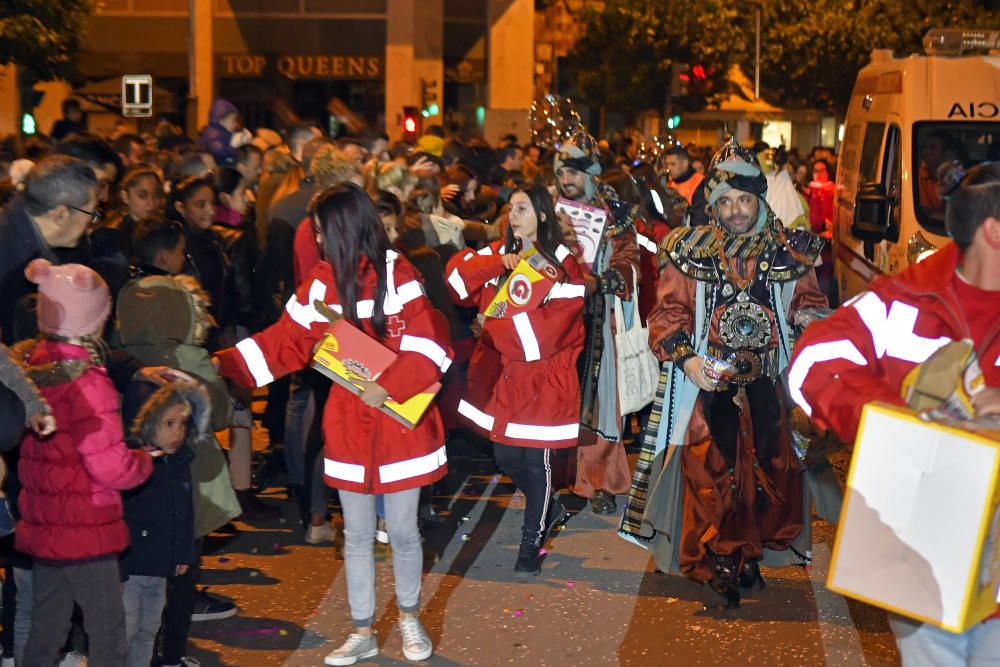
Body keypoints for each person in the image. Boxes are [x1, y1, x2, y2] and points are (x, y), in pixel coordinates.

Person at [215, 183, 451, 665]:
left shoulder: (398, 273)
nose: (318, 241)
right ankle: (362, 630)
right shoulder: (320, 282)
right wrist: (220, 366)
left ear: (344, 228)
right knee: (357, 534)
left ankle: (409, 618)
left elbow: (431, 344)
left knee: (404, 532)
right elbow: (285, 342)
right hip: (349, 423)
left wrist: (390, 385)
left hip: (400, 423)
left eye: (322, 231)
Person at [788, 163, 1000, 665]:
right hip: (925, 545)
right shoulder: (908, 297)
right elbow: (812, 361)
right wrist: (898, 422)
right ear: (993, 231)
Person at [619, 139, 828, 608]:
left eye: (744, 200)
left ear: (759, 200)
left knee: (769, 476)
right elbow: (666, 316)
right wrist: (691, 362)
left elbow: (810, 304)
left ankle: (748, 555)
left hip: (769, 384)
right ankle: (725, 559)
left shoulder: (790, 253)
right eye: (726, 201)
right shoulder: (690, 253)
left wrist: (809, 326)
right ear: (713, 206)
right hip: (707, 388)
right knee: (714, 477)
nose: (735, 211)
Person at [16, 259, 154, 666]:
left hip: (46, 524)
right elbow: (111, 467)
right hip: (87, 527)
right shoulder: (90, 385)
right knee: (107, 629)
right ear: (97, 320)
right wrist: (143, 460)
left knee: (47, 626)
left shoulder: (35, 370)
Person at [446, 185, 585, 574]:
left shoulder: (562, 263)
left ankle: (531, 543)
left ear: (542, 214)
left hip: (544, 375)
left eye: (522, 208)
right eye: (510, 208)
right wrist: (498, 265)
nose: (513, 215)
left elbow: (549, 331)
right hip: (505, 374)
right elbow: (456, 283)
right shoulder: (500, 251)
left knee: (536, 460)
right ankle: (551, 508)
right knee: (506, 455)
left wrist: (491, 327)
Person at [554, 133, 639, 515]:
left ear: (590, 175)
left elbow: (630, 263)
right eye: (561, 172)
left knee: (603, 404)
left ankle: (603, 481)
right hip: (556, 320)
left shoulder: (617, 216)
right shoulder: (549, 210)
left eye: (573, 172)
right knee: (561, 400)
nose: (566, 179)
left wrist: (598, 282)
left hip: (600, 319)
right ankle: (564, 478)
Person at [121, 384, 199, 667]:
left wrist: (183, 553)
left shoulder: (178, 462)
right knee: (125, 629)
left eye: (182, 424)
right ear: (149, 423)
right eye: (168, 424)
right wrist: (118, 567)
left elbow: (185, 513)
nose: (177, 432)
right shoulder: (132, 464)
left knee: (148, 629)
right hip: (131, 566)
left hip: (161, 566)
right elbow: (120, 517)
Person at [0, 155, 98, 345]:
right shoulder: (18, 263)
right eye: (91, 213)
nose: (91, 224)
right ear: (61, 214)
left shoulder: (18, 230)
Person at [665, 145, 709, 226]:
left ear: (685, 163)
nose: (668, 168)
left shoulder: (700, 184)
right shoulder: (670, 181)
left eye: (673, 164)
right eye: (667, 164)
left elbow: (699, 224)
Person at [198, 99, 241, 167]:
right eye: (233, 120)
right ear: (221, 121)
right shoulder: (212, 133)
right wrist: (234, 149)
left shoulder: (225, 133)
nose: (235, 124)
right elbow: (219, 152)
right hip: (209, 167)